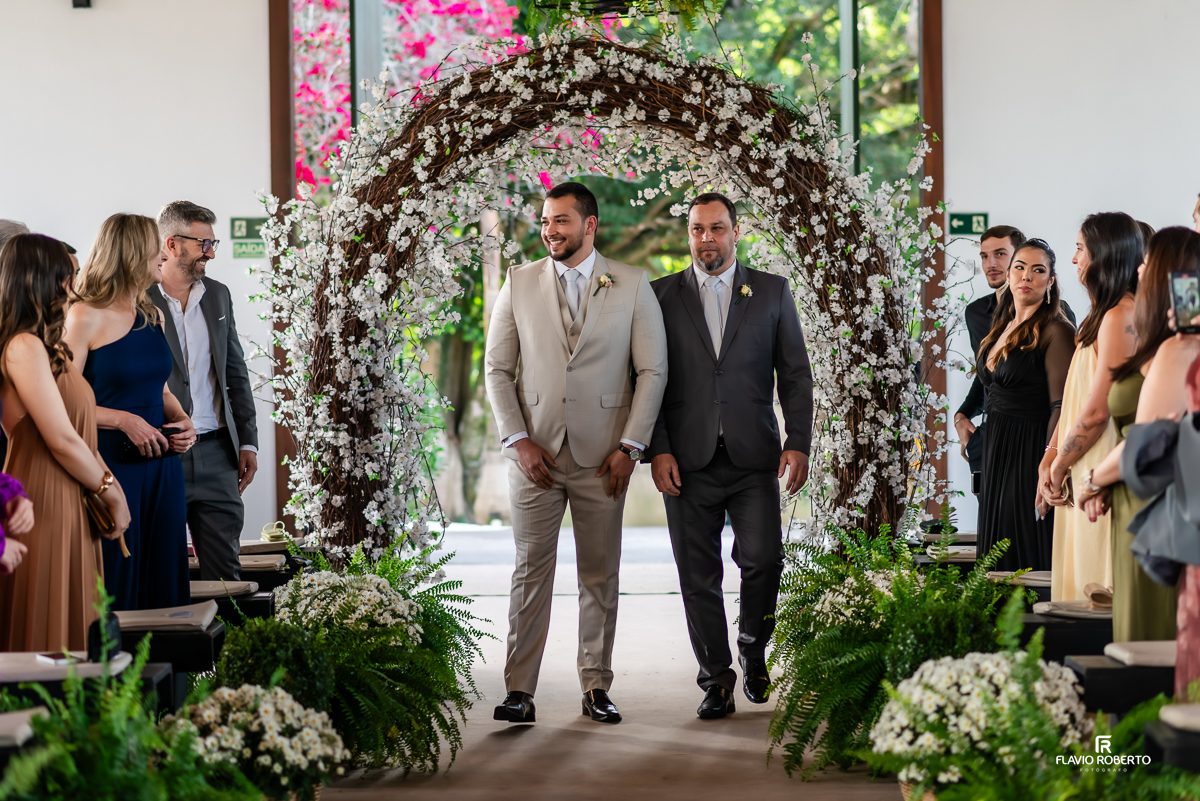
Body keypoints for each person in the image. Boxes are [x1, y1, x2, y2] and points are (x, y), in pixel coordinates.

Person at [483, 182, 667, 725]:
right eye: (545, 220)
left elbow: (652, 371)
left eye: (561, 221)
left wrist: (631, 448)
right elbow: (497, 370)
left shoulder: (632, 284)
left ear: (589, 226)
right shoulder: (518, 282)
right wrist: (518, 440)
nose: (549, 230)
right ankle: (519, 690)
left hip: (603, 455)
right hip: (534, 456)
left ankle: (596, 687)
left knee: (599, 575)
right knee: (529, 571)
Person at [647, 193, 814, 719]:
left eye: (717, 228)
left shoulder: (771, 291)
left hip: (753, 457)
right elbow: (646, 379)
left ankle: (752, 648)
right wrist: (659, 449)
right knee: (697, 576)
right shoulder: (660, 296)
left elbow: (794, 374)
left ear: (736, 232)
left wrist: (798, 441)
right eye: (697, 229)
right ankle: (715, 678)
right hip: (687, 461)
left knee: (764, 560)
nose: (706, 239)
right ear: (688, 234)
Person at [0, 234, 131, 651]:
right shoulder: (21, 346)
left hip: (73, 493)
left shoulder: (49, 348)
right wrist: (108, 489)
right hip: (41, 496)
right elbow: (59, 438)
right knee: (47, 621)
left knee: (79, 616)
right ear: (44, 279)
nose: (75, 286)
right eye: (68, 276)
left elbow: (78, 434)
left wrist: (111, 486)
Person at [65, 214, 195, 612]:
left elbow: (161, 389)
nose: (163, 254)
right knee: (117, 575)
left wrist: (183, 421)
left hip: (161, 467)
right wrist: (123, 419)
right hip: (110, 465)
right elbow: (63, 401)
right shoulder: (83, 315)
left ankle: (171, 673)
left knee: (165, 575)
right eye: (155, 246)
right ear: (131, 252)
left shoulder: (149, 314)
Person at [1078, 227, 1200, 641]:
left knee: (1149, 635)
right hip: (1134, 492)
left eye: (1149, 262)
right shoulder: (1163, 342)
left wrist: (1092, 479)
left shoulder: (1179, 348)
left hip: (1156, 507)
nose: (1140, 268)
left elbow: (1145, 443)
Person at [149, 201, 259, 582]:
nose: (210, 253)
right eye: (203, 244)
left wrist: (248, 441)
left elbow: (235, 371)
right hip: (160, 451)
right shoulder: (136, 298)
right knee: (162, 568)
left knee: (227, 574)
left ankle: (229, 643)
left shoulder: (218, 295)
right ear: (172, 244)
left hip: (217, 453)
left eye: (213, 244)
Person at [1041, 212, 1141, 601]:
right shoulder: (1100, 315)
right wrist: (1052, 457)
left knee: (1093, 586)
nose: (1073, 259)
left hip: (1098, 464)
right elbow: (1074, 400)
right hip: (1079, 462)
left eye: (1080, 248)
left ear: (1103, 253)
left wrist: (1062, 464)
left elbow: (1098, 410)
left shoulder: (1120, 316)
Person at [975, 239, 1074, 573]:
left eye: (1038, 270)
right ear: (1009, 274)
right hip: (996, 449)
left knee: (1019, 544)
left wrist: (1048, 460)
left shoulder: (1056, 330)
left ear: (1051, 280)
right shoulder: (1002, 327)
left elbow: (1062, 406)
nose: (1026, 276)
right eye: (1019, 267)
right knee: (994, 544)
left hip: (1030, 450)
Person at [955, 227, 1075, 484]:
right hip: (990, 441)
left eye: (1000, 254)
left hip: (1030, 442)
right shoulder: (983, 315)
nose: (991, 263)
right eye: (984, 256)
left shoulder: (1056, 321)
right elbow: (988, 373)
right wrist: (962, 415)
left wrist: (1051, 458)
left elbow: (1063, 401)